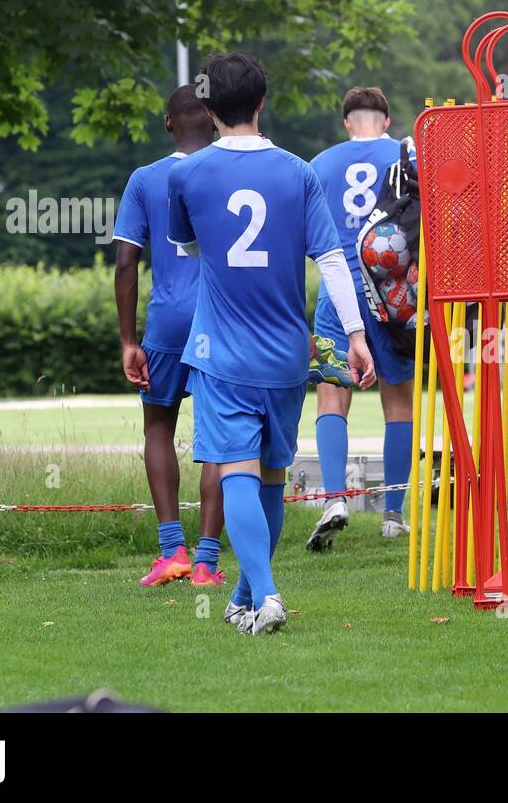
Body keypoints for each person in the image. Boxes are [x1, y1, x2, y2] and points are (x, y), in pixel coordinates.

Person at [168, 52, 376, 635]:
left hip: (221, 352)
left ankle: (267, 595)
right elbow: (333, 258)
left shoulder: (185, 174)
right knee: (273, 478)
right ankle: (245, 597)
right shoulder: (299, 172)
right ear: (261, 103)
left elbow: (186, 247)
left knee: (236, 472)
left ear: (209, 110)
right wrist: (355, 334)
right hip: (289, 352)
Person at [113, 84, 224, 588]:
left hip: (167, 323)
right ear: (215, 117)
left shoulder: (144, 179)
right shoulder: (233, 171)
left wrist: (127, 340)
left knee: (158, 427)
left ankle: (171, 551)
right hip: (223, 319)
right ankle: (206, 562)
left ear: (168, 123)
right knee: (220, 438)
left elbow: (125, 263)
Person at [306, 87, 415, 550]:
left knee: (332, 399)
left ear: (347, 122)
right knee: (399, 404)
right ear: (386, 121)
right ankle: (393, 513)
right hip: (391, 296)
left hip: (338, 292)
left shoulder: (319, 164)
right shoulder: (404, 156)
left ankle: (334, 498)